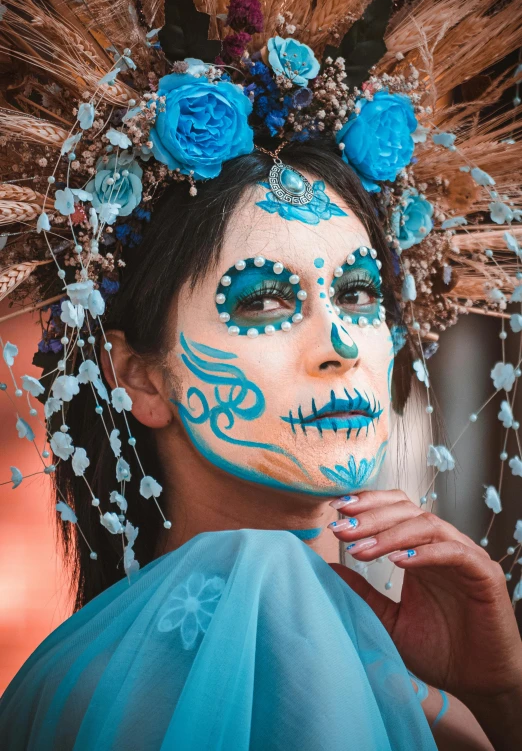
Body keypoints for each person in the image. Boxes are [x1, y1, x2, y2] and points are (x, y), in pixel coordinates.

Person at [1, 142, 521, 749]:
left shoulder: (59, 682)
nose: (342, 346)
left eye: (357, 293)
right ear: (141, 377)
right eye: (263, 301)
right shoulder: (283, 591)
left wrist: (494, 694)